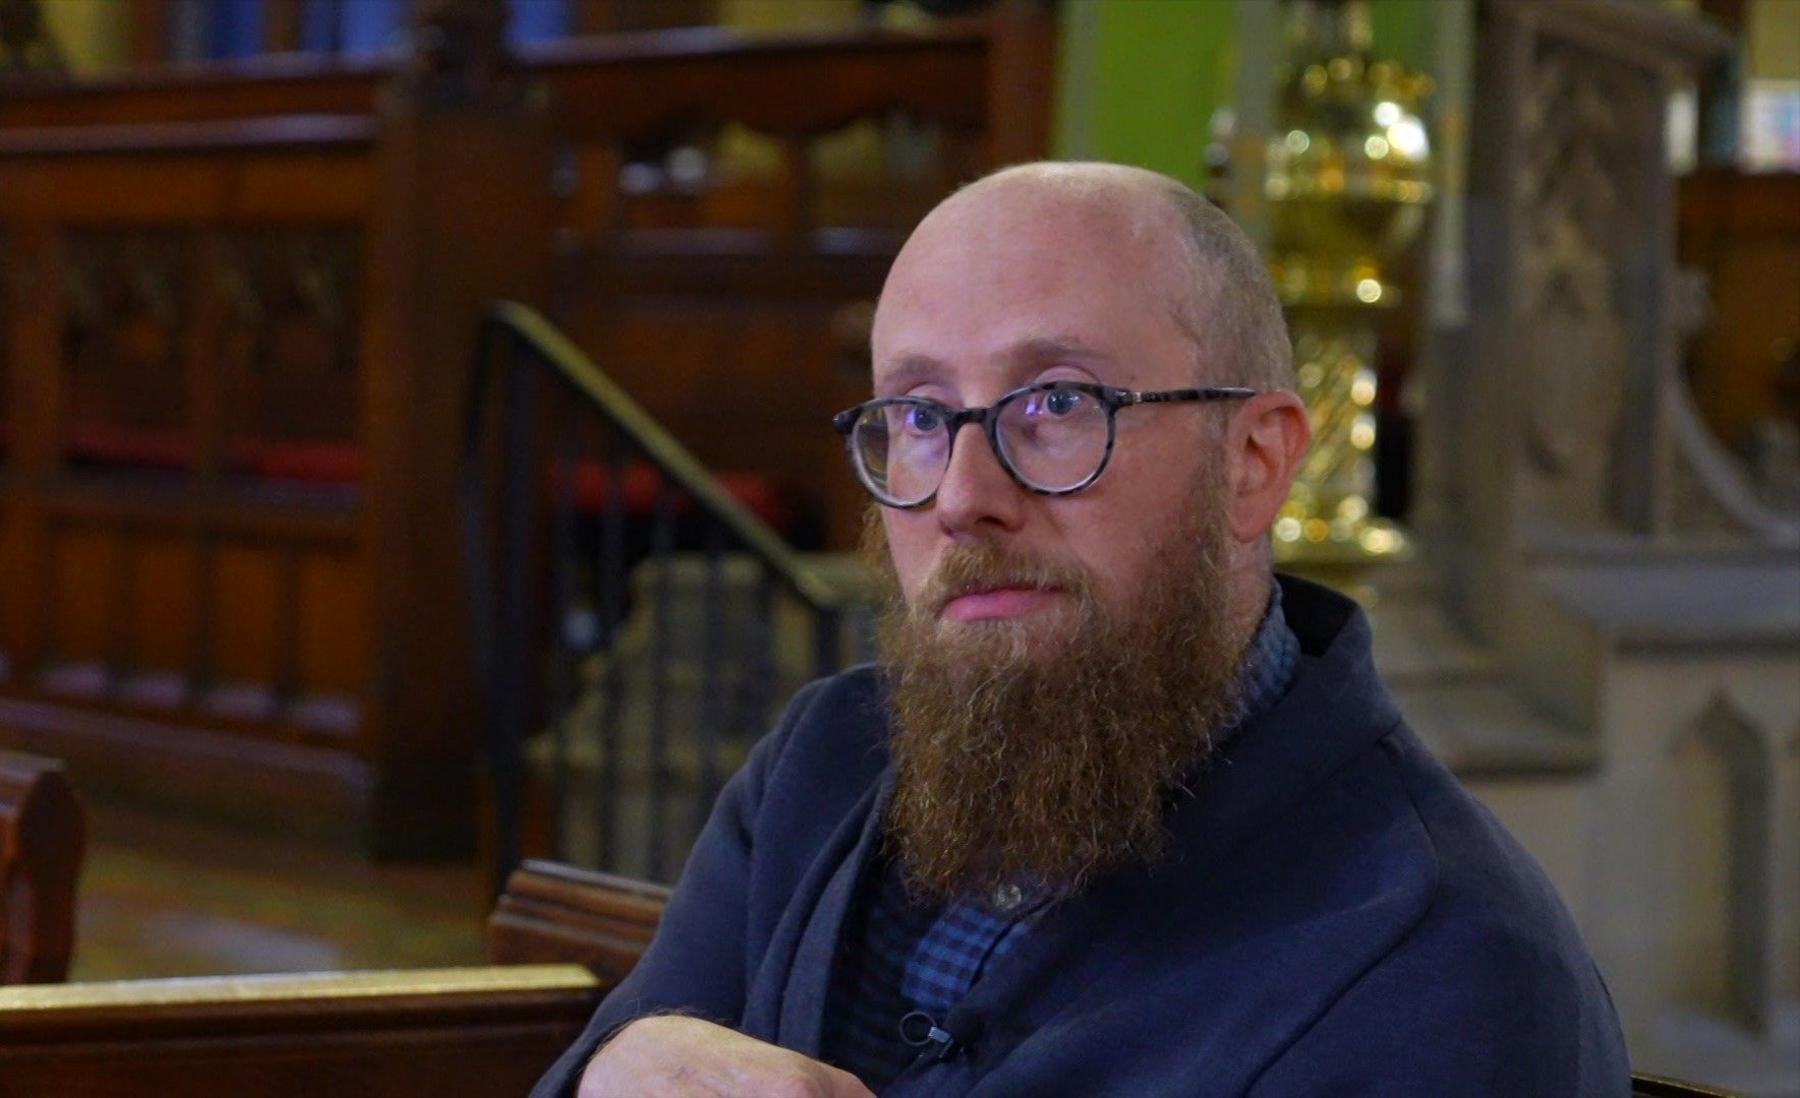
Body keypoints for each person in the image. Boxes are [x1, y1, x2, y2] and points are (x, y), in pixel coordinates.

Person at [533, 162, 1629, 1097]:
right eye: (917, 417)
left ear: (1254, 463)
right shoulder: (824, 762)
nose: (964, 495)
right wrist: (614, 1070)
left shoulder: (1448, 964)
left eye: (1058, 405)